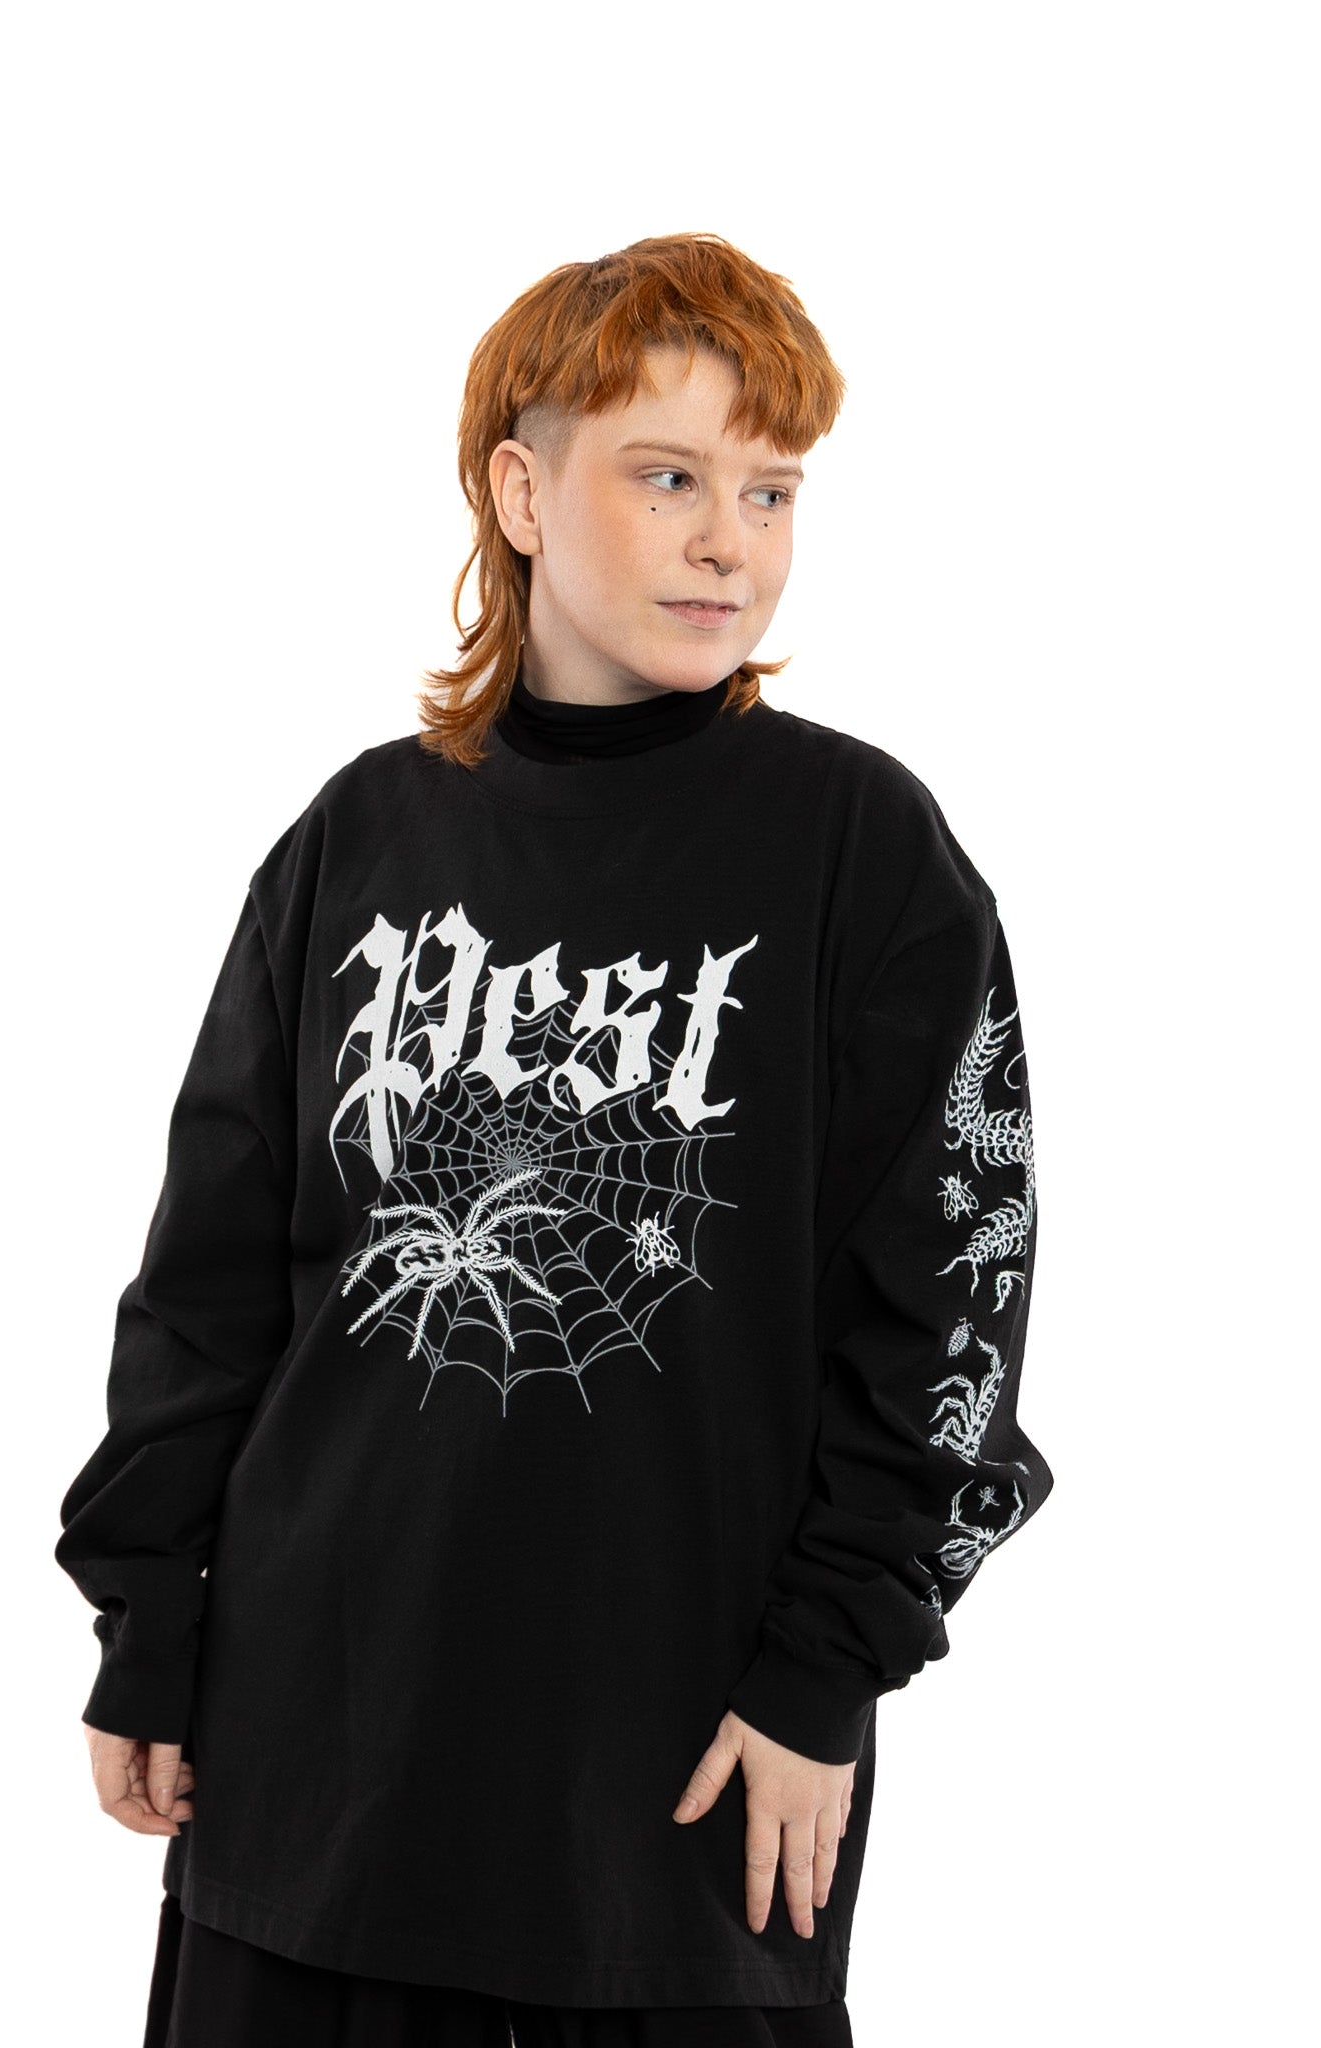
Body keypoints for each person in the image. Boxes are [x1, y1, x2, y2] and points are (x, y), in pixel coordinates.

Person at [56, 231, 1054, 2048]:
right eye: (666, 477)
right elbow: (210, 1278)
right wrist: (148, 1615)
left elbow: (955, 1307)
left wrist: (828, 1669)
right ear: (520, 494)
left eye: (770, 489)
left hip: (684, 1779)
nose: (727, 539)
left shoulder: (861, 853)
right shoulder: (359, 839)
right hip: (312, 1753)